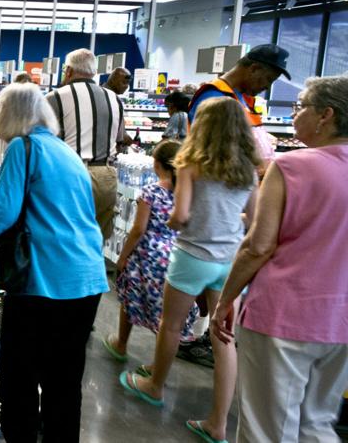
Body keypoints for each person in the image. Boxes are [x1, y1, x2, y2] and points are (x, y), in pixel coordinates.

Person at [211, 76, 348, 442]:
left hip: (283, 316)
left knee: (265, 428)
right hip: (340, 322)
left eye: (301, 105)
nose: (294, 113)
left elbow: (259, 245)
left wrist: (226, 298)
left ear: (326, 116)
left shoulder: (292, 167)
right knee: (316, 423)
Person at [119, 97, 259, 443]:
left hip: (192, 257)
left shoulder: (192, 165)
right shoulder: (249, 171)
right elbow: (254, 221)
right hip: (229, 263)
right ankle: (218, 423)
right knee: (224, 338)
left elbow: (180, 217)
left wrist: (176, 220)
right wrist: (227, 219)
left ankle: (155, 386)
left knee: (170, 325)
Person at [0, 83, 109, 442]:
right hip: (87, 279)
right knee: (64, 380)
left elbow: (1, 215)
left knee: (18, 374)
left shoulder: (22, 148)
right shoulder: (66, 152)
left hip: (43, 278)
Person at [103, 140, 200, 362]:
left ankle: (121, 344)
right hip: (176, 254)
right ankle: (157, 366)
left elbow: (138, 229)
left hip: (147, 256)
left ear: (156, 165)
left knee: (130, 297)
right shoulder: (187, 193)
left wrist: (123, 256)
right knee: (168, 316)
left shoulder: (150, 192)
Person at [45, 48, 126, 240]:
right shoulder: (114, 99)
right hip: (107, 176)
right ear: (94, 72)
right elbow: (120, 139)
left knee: (66, 239)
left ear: (69, 71)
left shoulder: (55, 97)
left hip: (71, 174)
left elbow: (43, 142)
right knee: (97, 240)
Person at [189, 44, 289, 172]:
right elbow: (210, 153)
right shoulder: (215, 97)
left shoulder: (243, 98)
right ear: (254, 69)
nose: (268, 87)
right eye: (268, 79)